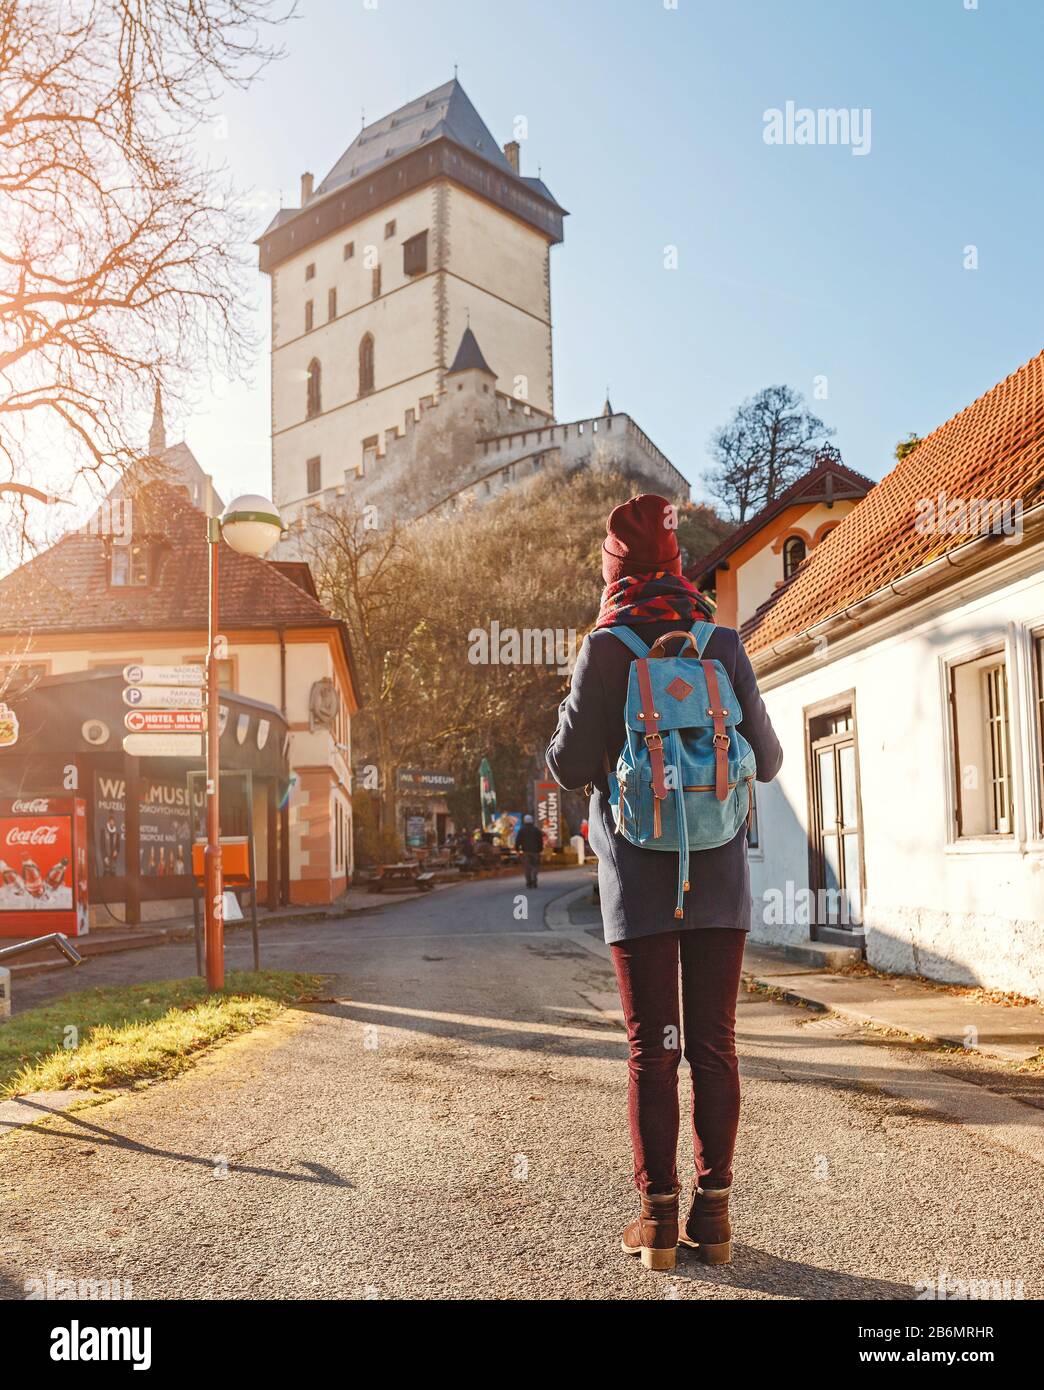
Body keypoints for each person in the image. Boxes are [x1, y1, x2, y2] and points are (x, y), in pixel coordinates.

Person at [546, 493, 782, 1272]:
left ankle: (656, 1223)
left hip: (641, 879)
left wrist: (570, 717)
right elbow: (771, 761)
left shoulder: (606, 646)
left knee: (654, 1049)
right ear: (679, 563)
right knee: (715, 1045)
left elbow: (572, 766)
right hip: (716, 875)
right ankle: (714, 1221)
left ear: (614, 568)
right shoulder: (721, 641)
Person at [514, 814, 545, 888]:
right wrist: (540, 849)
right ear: (532, 821)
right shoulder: (536, 830)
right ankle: (534, 879)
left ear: (524, 821)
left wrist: (517, 850)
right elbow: (540, 841)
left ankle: (529, 882)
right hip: (536, 851)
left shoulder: (522, 830)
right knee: (535, 866)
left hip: (526, 851)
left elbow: (518, 840)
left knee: (527, 867)